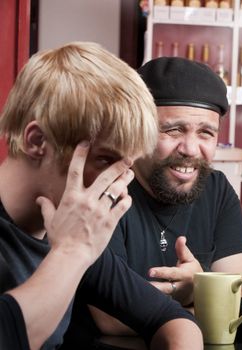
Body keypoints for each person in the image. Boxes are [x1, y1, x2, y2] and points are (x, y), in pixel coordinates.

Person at [0, 42, 202, 350]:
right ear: (37, 140)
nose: (121, 188)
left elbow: (171, 319)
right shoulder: (74, 240)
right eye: (106, 161)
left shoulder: (69, 231)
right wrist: (71, 253)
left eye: (127, 168)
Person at [79, 57, 242, 340]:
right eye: (173, 130)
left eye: (206, 133)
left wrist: (197, 292)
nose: (191, 149)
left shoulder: (216, 190)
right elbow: (112, 318)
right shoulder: (107, 187)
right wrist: (209, 302)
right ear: (137, 128)